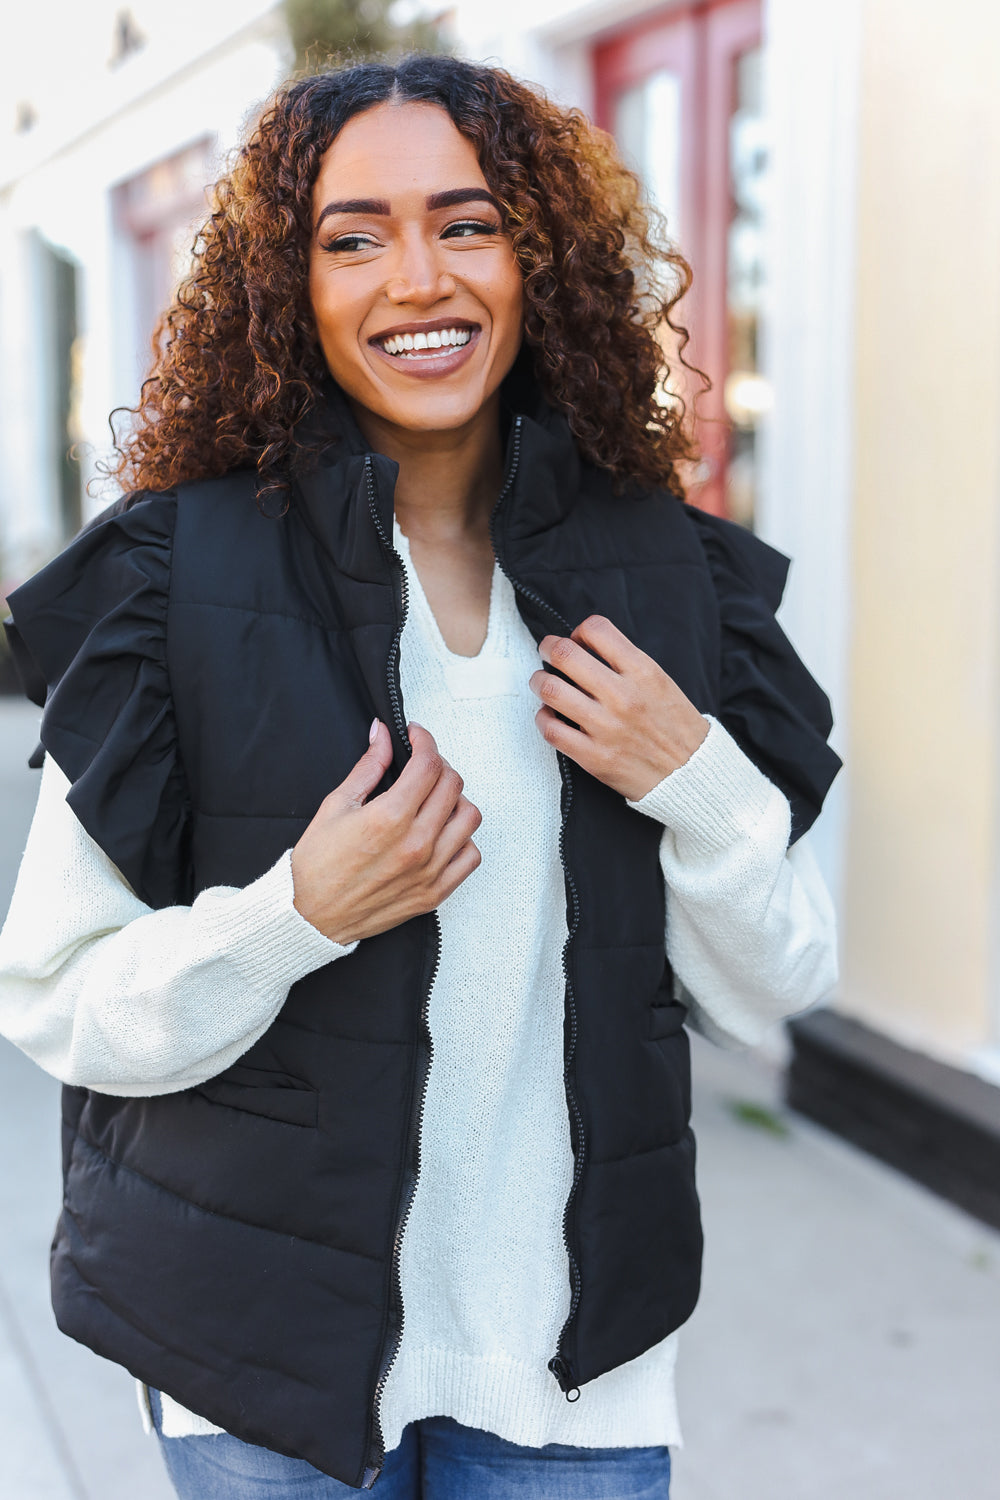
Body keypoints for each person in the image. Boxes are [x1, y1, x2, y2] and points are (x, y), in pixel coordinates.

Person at [0, 55, 841, 1500]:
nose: (416, 281)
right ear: (289, 284)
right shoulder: (176, 580)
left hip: (576, 1371)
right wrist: (297, 915)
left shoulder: (666, 575)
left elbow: (779, 989)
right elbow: (51, 994)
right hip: (261, 1370)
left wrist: (694, 776)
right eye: (352, 237)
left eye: (466, 222)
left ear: (539, 256)